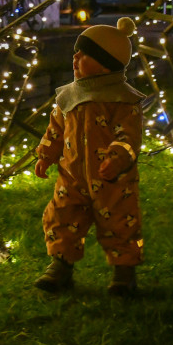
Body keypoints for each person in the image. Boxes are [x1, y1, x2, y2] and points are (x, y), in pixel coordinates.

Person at [33, 17, 146, 296]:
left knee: (120, 221)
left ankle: (124, 271)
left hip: (112, 180)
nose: (75, 57)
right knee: (62, 216)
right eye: (76, 52)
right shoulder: (69, 97)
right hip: (71, 175)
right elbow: (56, 129)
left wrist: (117, 158)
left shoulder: (121, 100)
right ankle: (60, 265)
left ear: (106, 64)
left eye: (84, 55)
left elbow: (128, 137)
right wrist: (46, 154)